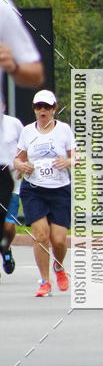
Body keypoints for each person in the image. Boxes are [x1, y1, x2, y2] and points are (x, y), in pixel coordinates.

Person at [14, 90, 73, 297]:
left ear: (54, 108)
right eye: (39, 107)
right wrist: (23, 166)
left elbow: (76, 156)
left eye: (47, 107)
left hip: (59, 189)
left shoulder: (64, 130)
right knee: (40, 235)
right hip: (34, 189)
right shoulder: (28, 131)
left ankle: (59, 266)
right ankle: (44, 281)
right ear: (34, 109)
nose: (43, 111)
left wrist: (68, 161)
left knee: (58, 240)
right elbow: (17, 159)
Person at [0, 0, 44, 255]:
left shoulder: (2, 9)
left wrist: (13, 65)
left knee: (6, 229)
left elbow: (35, 72)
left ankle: (5, 250)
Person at [1, 104, 24, 274]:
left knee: (8, 227)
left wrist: (23, 164)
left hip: (12, 184)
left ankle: (5, 248)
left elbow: (25, 147)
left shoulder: (14, 124)